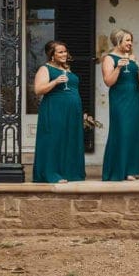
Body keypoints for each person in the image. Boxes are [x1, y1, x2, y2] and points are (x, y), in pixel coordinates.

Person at [32, 40, 86, 184]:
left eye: (65, 51)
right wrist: (55, 82)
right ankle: (51, 173)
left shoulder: (67, 68)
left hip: (72, 111)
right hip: (55, 108)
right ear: (52, 55)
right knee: (54, 139)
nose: (64, 54)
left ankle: (69, 172)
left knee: (69, 139)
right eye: (60, 52)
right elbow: (38, 90)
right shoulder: (45, 69)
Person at [101, 29, 139, 182]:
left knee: (134, 131)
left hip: (136, 96)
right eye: (127, 40)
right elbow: (108, 82)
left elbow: (137, 77)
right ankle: (119, 168)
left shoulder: (133, 57)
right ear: (118, 41)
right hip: (120, 98)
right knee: (122, 130)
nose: (130, 43)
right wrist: (118, 68)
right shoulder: (109, 58)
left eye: (131, 40)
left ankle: (132, 169)